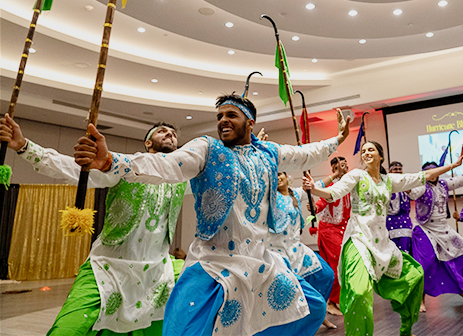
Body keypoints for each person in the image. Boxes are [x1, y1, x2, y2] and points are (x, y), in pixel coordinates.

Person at [73, 93, 351, 336]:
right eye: (220, 116)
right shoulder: (207, 148)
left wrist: (338, 138)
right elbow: (166, 165)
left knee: (311, 308)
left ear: (250, 123)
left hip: (260, 262)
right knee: (183, 330)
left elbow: (304, 154)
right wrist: (111, 162)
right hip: (212, 262)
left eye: (231, 115)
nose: (223, 120)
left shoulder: (269, 153)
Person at [0, 115, 186, 335]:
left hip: (157, 272)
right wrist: (24, 147)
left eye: (173, 134)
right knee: (68, 329)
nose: (170, 135)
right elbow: (74, 169)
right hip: (108, 267)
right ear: (148, 143)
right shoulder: (123, 166)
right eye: (162, 131)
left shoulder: (183, 177)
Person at [303, 141, 463, 336]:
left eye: (371, 149)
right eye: (363, 151)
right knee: (360, 292)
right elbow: (333, 192)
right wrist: (314, 189)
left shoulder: (389, 181)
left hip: (382, 242)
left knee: (414, 277)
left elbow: (424, 176)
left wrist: (453, 166)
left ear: (380, 156)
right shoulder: (356, 176)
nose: (366, 153)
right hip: (358, 240)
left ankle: (406, 329)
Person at [411, 155, 463, 307]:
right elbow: (413, 193)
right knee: (425, 264)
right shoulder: (421, 186)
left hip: (443, 228)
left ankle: (459, 285)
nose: (433, 173)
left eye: (435, 170)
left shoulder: (444, 184)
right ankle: (420, 300)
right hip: (424, 229)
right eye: (429, 171)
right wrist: (407, 188)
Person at [269, 172, 337, 329]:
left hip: (297, 248)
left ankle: (318, 314)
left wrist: (335, 175)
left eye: (280, 175)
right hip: (279, 250)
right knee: (292, 288)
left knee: (327, 275)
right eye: (275, 176)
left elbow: (318, 184)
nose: (278, 178)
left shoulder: (295, 194)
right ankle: (302, 322)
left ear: (288, 177)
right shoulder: (270, 197)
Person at [313, 156, 351, 316]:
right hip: (330, 230)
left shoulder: (350, 184)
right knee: (337, 265)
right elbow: (322, 201)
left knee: (345, 264)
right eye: (341, 165)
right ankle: (331, 302)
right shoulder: (331, 186)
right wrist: (314, 207)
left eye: (346, 164)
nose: (345, 167)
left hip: (346, 229)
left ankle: (337, 299)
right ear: (334, 168)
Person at [386, 161, 419, 254]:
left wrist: (406, 188)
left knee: (405, 250)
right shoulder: (385, 184)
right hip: (389, 223)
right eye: (395, 169)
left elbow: (414, 196)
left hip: (405, 223)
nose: (398, 171)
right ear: (390, 171)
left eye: (400, 169)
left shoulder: (407, 184)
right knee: (391, 251)